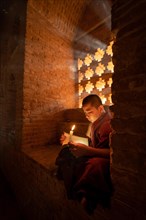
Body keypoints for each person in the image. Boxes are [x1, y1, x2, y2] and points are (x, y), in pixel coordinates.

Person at [55, 94, 113, 215]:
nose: (87, 116)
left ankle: (86, 195)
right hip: (94, 153)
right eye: (85, 113)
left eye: (89, 112)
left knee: (95, 165)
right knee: (66, 152)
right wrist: (71, 140)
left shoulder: (107, 124)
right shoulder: (93, 124)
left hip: (104, 159)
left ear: (101, 109)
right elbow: (90, 144)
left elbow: (111, 152)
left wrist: (87, 151)